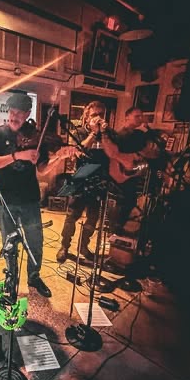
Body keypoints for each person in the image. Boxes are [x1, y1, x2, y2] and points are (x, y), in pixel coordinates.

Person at [0, 93, 77, 298]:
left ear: (27, 114)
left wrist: (58, 157)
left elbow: (42, 169)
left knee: (35, 242)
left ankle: (34, 277)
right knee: (9, 243)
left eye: (19, 113)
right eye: (11, 111)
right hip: (5, 199)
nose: (14, 116)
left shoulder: (37, 136)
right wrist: (18, 155)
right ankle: (11, 278)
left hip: (30, 199)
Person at [56, 100, 112, 263]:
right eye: (94, 114)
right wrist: (93, 133)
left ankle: (83, 246)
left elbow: (112, 153)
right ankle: (64, 246)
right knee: (72, 215)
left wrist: (104, 134)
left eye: (101, 114)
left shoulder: (108, 133)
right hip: (81, 178)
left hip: (99, 180)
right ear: (86, 117)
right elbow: (78, 151)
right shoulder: (78, 132)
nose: (98, 117)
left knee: (93, 217)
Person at [102, 106, 162, 236]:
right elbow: (114, 155)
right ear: (127, 117)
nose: (140, 118)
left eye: (141, 116)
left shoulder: (139, 134)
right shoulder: (120, 135)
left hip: (134, 174)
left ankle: (122, 232)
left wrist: (148, 128)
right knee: (123, 204)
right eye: (137, 116)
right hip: (122, 176)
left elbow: (151, 149)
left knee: (130, 201)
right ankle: (115, 233)